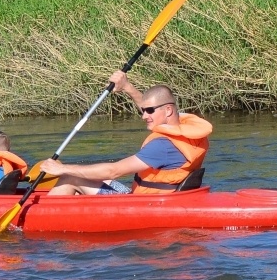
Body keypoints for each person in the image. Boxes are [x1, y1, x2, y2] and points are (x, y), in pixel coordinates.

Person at [38, 72, 210, 196]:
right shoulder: (187, 128)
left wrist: (60, 169)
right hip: (151, 196)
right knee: (87, 177)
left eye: (149, 111)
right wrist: (127, 87)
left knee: (71, 177)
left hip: (143, 205)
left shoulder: (163, 146)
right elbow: (153, 107)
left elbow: (114, 170)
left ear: (168, 110)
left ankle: (42, 221)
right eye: (144, 110)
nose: (144, 116)